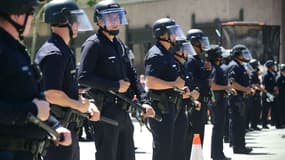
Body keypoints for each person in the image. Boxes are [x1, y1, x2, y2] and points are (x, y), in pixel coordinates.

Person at [77, 0, 155, 160]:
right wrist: (114, 85)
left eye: (117, 17)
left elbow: (132, 75)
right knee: (108, 156)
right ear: (99, 21)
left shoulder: (119, 45)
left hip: (124, 111)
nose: (115, 22)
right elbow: (83, 77)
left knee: (127, 156)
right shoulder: (93, 44)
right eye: (110, 18)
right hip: (105, 111)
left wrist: (144, 100)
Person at [0, 0, 71, 160]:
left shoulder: (16, 50)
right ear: (17, 14)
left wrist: (54, 126)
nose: (32, 19)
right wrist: (32, 110)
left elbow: (31, 97)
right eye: (31, 13)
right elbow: (33, 107)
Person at [35, 1, 100, 160]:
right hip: (56, 130)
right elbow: (51, 94)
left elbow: (67, 90)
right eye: (74, 19)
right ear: (64, 20)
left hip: (68, 126)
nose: (77, 24)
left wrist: (87, 104)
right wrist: (79, 105)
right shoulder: (54, 53)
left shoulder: (63, 50)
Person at [144, 17, 186, 160]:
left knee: (170, 147)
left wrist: (180, 89)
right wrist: (174, 84)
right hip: (161, 107)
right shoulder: (156, 54)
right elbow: (150, 82)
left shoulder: (167, 54)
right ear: (162, 34)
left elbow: (168, 81)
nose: (175, 35)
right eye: (172, 32)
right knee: (163, 149)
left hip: (170, 106)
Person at [186, 28, 212, 147]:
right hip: (196, 102)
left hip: (202, 102)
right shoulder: (191, 60)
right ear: (194, 43)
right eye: (201, 42)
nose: (203, 45)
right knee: (195, 134)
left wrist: (207, 72)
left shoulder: (197, 60)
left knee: (199, 134)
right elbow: (191, 82)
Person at [228, 44, 254, 154]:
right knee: (238, 123)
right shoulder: (235, 65)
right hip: (236, 99)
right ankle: (238, 147)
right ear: (237, 55)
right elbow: (232, 83)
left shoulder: (240, 65)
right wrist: (245, 89)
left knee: (241, 123)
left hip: (241, 98)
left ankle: (241, 145)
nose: (245, 56)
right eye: (243, 53)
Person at [206, 47, 231, 160]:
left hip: (220, 101)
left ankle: (217, 154)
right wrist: (227, 87)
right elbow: (213, 86)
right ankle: (217, 155)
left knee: (219, 129)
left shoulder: (216, 68)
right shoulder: (215, 69)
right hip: (218, 103)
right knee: (218, 129)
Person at [261, 60, 278, 129]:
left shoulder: (273, 74)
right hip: (267, 94)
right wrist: (267, 93)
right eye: (272, 66)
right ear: (270, 66)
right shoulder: (266, 75)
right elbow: (263, 85)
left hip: (272, 94)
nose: (273, 67)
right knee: (265, 109)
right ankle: (264, 124)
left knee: (274, 108)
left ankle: (273, 122)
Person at [248, 59, 263, 130]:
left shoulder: (253, 73)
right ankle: (253, 125)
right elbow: (255, 84)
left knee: (256, 110)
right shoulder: (253, 74)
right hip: (255, 94)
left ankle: (254, 125)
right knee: (255, 110)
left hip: (254, 94)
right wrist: (263, 89)